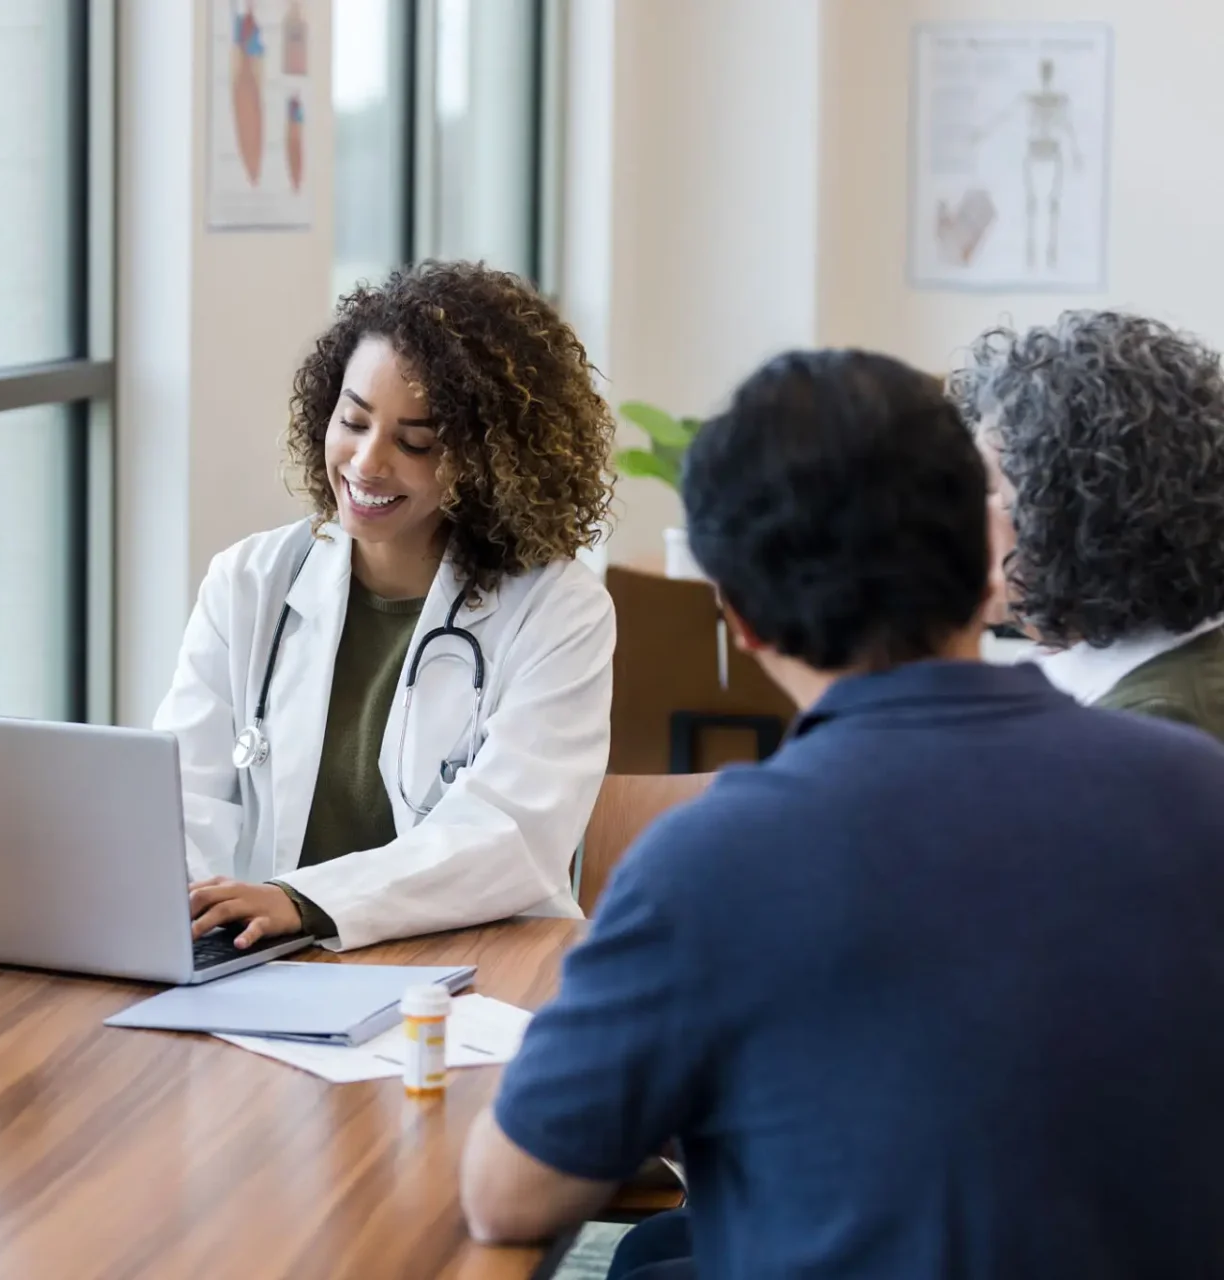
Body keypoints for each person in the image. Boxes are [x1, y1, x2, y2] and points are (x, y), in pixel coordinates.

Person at [461, 349, 1224, 1277]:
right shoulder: (1196, 786)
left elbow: (507, 1198)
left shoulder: (714, 862)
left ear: (736, 617)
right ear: (991, 564)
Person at [156, 261, 617, 952]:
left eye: (416, 442)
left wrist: (303, 900)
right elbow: (177, 805)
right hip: (275, 964)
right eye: (354, 420)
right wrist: (189, 918)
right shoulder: (249, 582)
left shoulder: (557, 610)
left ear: (492, 458)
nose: (368, 463)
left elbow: (510, 834)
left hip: (482, 964)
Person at [949, 310, 1224, 740]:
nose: (963, 513)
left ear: (1074, 521)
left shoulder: (1149, 726)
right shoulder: (1155, 676)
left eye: (989, 487)